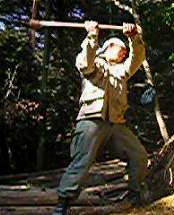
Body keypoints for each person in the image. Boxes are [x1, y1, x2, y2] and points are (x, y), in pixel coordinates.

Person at [52, 21, 148, 215]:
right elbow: (84, 62)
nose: (123, 54)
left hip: (116, 123)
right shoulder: (93, 63)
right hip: (91, 120)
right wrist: (92, 36)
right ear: (108, 48)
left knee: (139, 155)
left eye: (124, 52)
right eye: (119, 50)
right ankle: (63, 203)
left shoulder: (122, 70)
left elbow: (137, 57)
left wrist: (134, 38)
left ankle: (134, 195)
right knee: (82, 161)